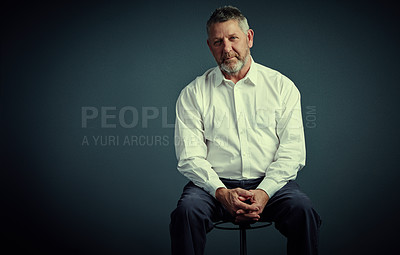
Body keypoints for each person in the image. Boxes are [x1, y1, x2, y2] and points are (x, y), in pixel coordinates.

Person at [170, 6, 321, 255]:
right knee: (186, 213)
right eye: (218, 42)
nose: (226, 48)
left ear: (249, 37)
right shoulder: (193, 92)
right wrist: (221, 193)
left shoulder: (281, 87)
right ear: (210, 46)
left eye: (233, 38)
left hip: (271, 185)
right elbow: (190, 157)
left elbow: (292, 152)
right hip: (213, 187)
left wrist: (263, 192)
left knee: (303, 210)